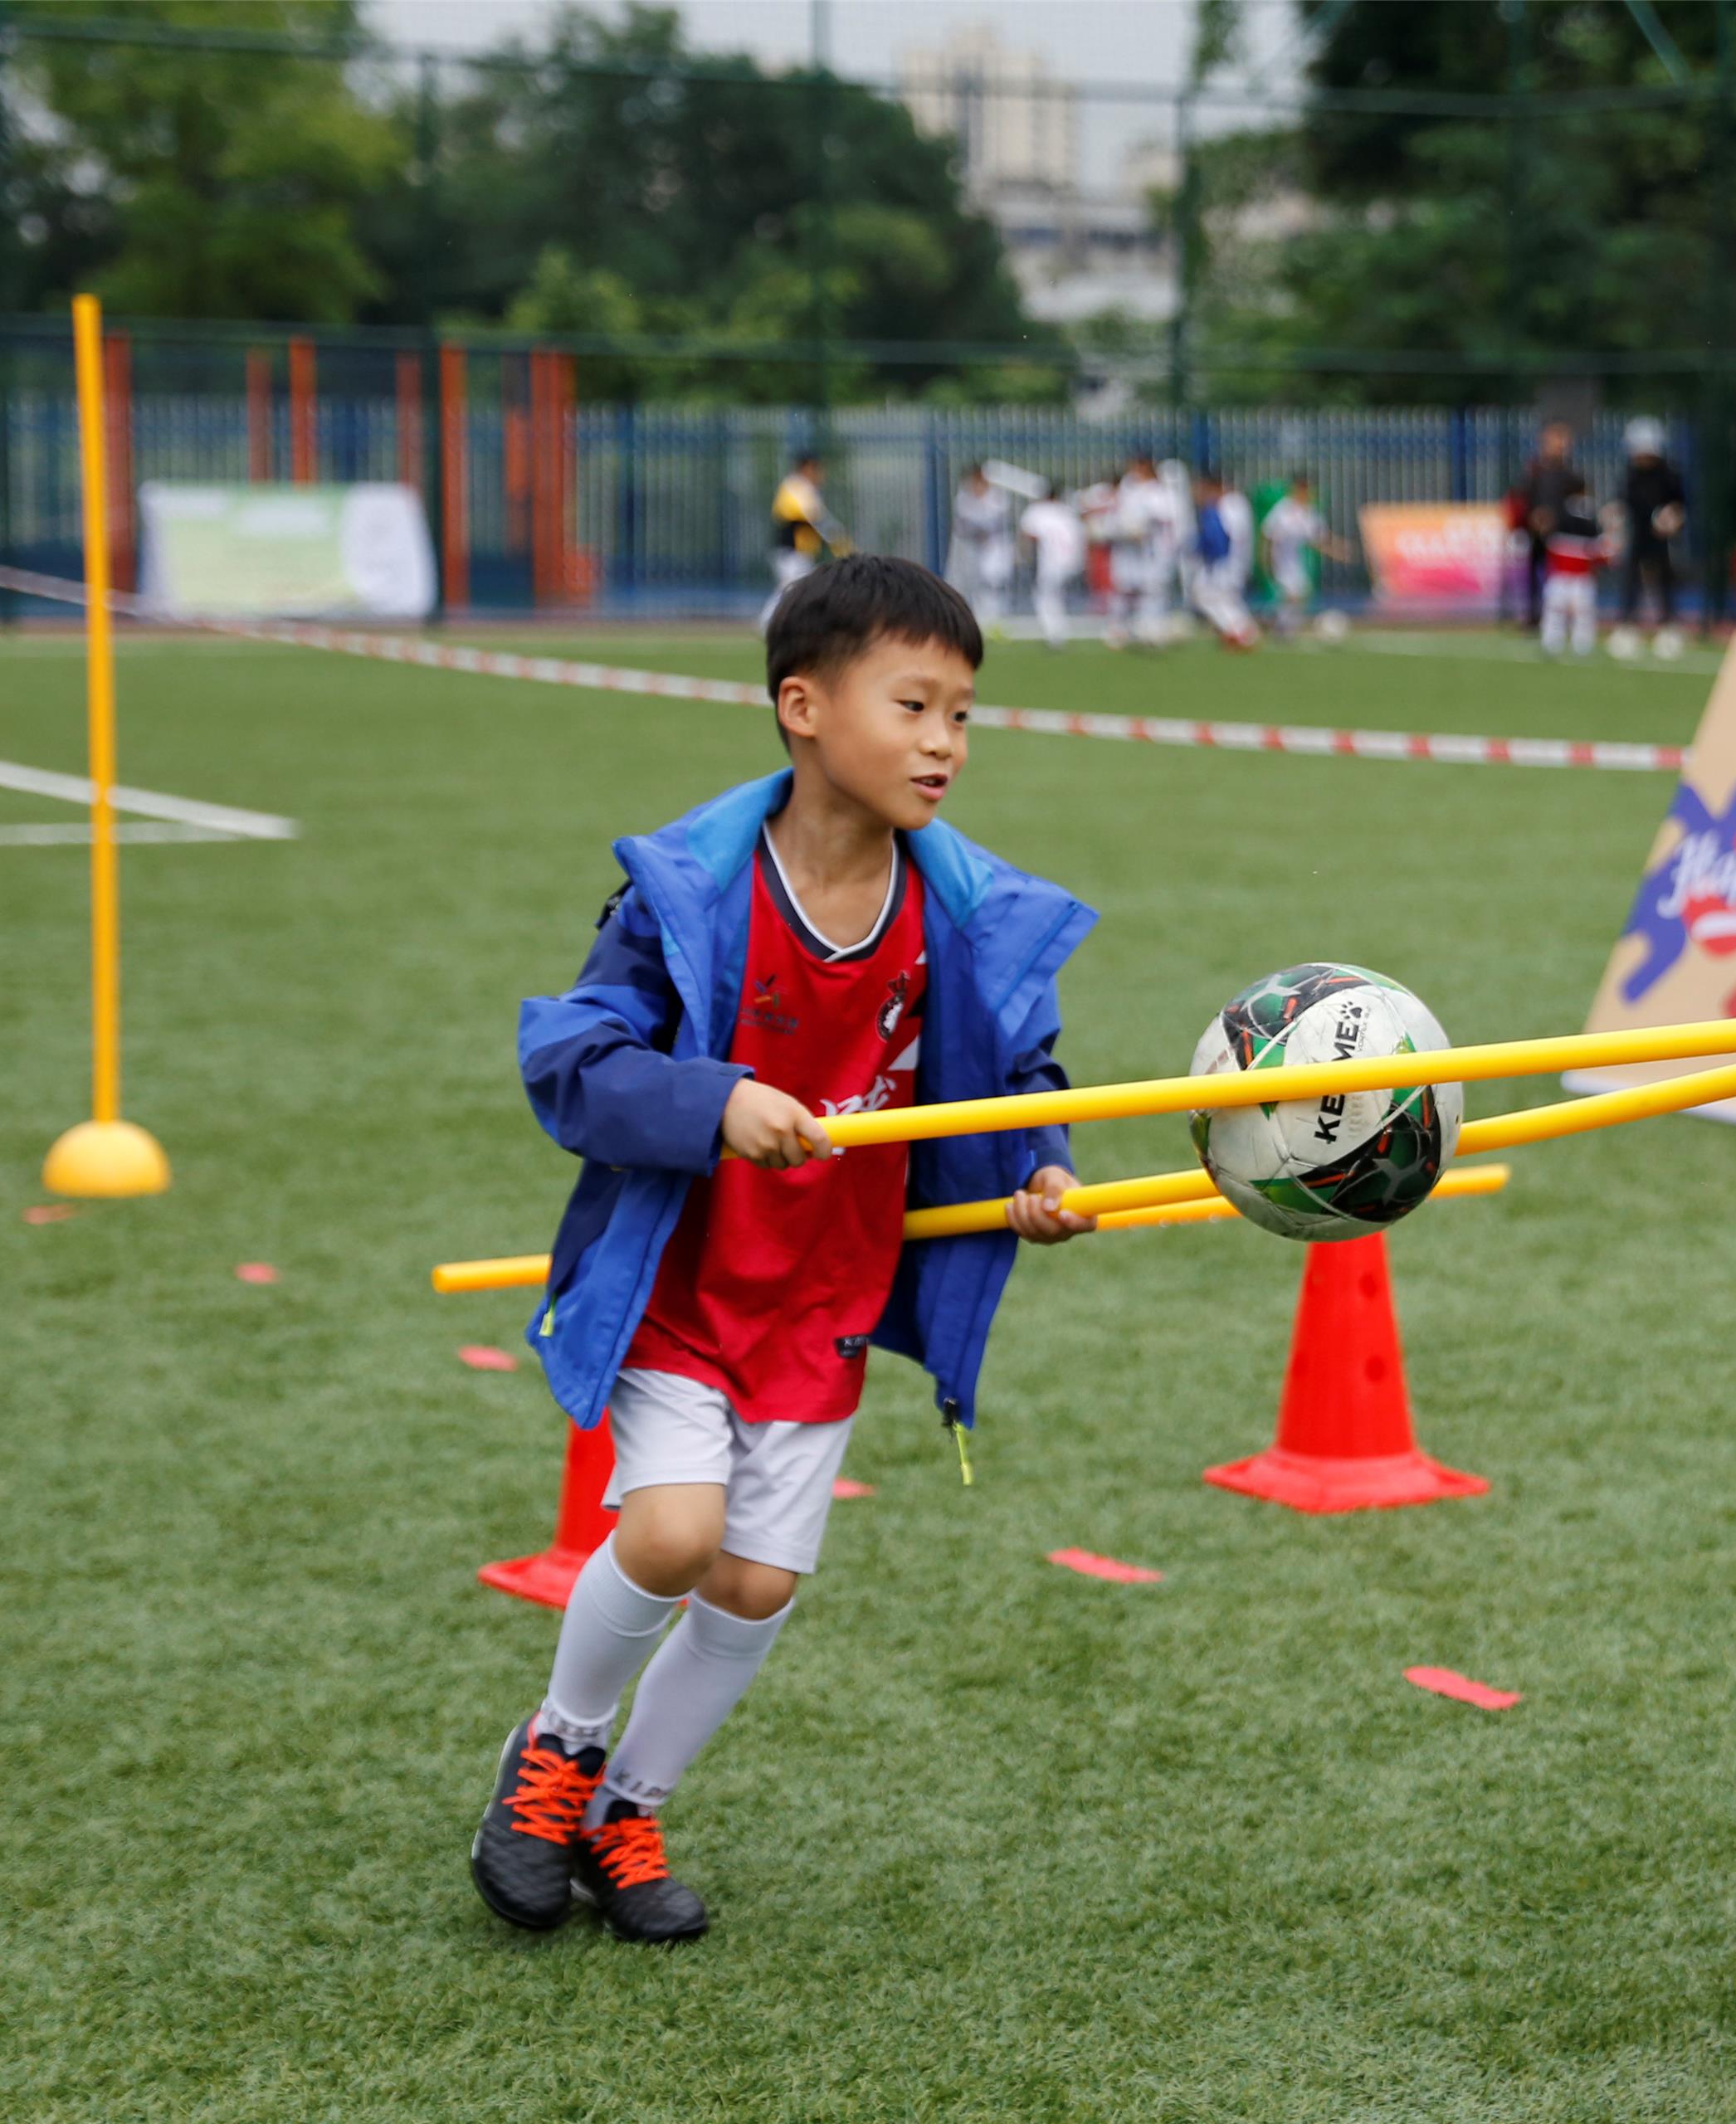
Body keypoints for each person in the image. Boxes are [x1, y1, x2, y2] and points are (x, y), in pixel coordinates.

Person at [473, 555, 1100, 1946]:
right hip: (683, 1282)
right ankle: (557, 1752)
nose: (945, 741)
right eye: (916, 704)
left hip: (825, 1294)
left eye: (964, 714)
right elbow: (569, 1061)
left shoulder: (960, 917)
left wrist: (1040, 1171)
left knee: (757, 1582)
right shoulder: (690, 890)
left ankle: (625, 1807)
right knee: (678, 1534)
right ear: (803, 706)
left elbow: (1017, 1077)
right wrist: (715, 1102)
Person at [1610, 417, 1690, 660]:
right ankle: (1627, 626)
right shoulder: (1631, 475)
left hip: (1663, 538)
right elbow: (1622, 502)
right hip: (1638, 533)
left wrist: (1672, 517)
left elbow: (1681, 505)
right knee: (1631, 579)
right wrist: (1615, 517)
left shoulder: (1668, 474)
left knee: (1664, 580)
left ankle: (1669, 627)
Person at [1259, 471, 1349, 638]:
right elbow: (1268, 535)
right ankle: (1272, 623)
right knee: (1292, 596)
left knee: (1299, 597)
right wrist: (1267, 561)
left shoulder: (1309, 512)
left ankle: (1278, 627)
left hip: (1296, 563)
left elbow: (1319, 539)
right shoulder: (1283, 510)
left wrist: (1339, 550)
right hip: (1280, 562)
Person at [762, 451, 847, 626]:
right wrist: (837, 541)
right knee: (791, 588)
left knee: (794, 587)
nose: (820, 474)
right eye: (817, 469)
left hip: (799, 552)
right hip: (790, 551)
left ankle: (774, 623)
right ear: (807, 468)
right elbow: (814, 519)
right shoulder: (796, 488)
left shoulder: (803, 489)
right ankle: (767, 623)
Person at [1507, 419, 1577, 630]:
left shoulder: (1570, 474)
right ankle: (1534, 615)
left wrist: (1557, 518)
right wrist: (1534, 519)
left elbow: (1576, 504)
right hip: (1536, 531)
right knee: (1535, 575)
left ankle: (1562, 617)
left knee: (1564, 577)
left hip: (1562, 532)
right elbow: (1522, 498)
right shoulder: (1534, 471)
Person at [1108, 451, 1180, 648]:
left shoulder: (1158, 491)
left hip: (1151, 550)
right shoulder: (1128, 486)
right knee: (1124, 588)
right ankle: (1120, 629)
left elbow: (1166, 518)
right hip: (1127, 546)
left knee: (1152, 589)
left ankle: (1151, 628)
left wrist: (1144, 528)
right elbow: (1120, 511)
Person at [1187, 468, 1261, 648]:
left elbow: (1218, 536)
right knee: (1228, 599)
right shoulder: (1238, 502)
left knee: (1204, 595)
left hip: (1225, 562)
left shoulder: (1225, 505)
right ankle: (1242, 631)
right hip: (1238, 560)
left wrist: (1202, 552)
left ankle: (1239, 630)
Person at [1537, 480, 1606, 656]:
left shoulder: (1558, 514)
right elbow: (1599, 549)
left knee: (1555, 612)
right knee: (1583, 614)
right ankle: (1582, 646)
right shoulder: (1591, 515)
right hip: (1581, 576)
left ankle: (1552, 643)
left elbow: (1548, 541)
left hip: (1561, 575)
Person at [1017, 481, 1086, 650]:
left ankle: (1055, 634)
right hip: (1072, 561)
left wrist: (1023, 555)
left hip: (1050, 563)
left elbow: (1028, 535)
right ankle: (1059, 630)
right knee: (1056, 596)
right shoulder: (1068, 511)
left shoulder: (1038, 511)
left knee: (1045, 597)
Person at [947, 463, 1014, 627]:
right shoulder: (964, 497)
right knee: (968, 584)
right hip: (970, 546)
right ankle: (974, 620)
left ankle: (994, 620)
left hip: (993, 548)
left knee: (991, 584)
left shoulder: (997, 496)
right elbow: (962, 524)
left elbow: (998, 522)